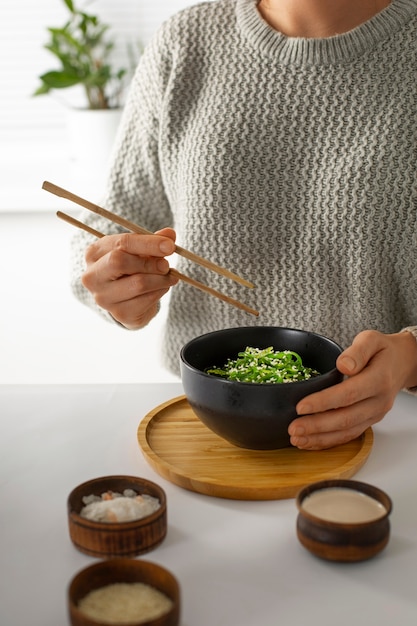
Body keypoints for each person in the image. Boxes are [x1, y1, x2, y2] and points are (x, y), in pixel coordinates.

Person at [70, 0, 417, 450]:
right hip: (206, 427)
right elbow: (105, 228)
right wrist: (116, 282)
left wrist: (411, 358)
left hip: (393, 434)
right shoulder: (187, 41)